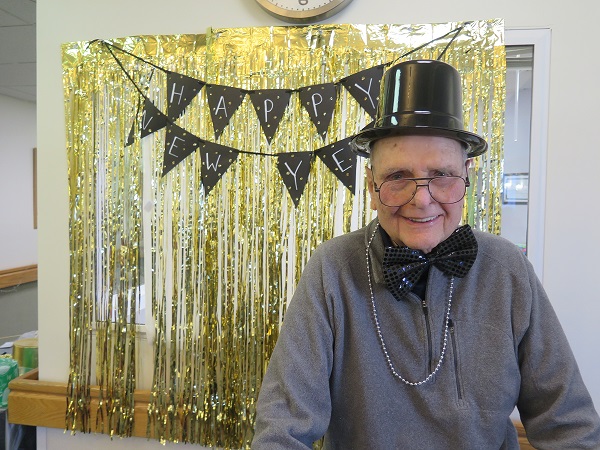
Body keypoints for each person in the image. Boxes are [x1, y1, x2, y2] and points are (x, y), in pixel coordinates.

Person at [251, 59, 600, 449]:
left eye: (441, 176)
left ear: (467, 175)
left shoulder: (507, 268)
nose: (422, 200)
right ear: (371, 185)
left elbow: (570, 425)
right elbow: (280, 431)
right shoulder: (331, 268)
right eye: (398, 177)